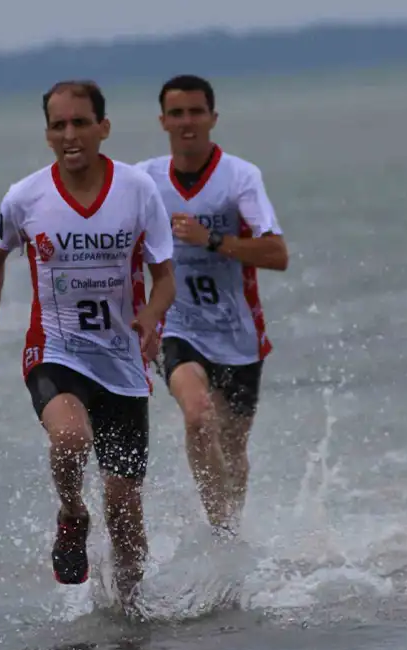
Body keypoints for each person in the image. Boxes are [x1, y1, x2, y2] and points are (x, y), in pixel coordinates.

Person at [0, 80, 176, 602]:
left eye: (81, 123)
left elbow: (166, 276)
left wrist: (148, 316)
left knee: (125, 514)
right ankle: (73, 512)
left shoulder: (138, 190)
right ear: (48, 134)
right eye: (59, 125)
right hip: (55, 349)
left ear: (104, 127)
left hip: (122, 363)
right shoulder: (25, 196)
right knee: (71, 439)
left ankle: (128, 616)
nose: (70, 134)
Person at [136, 74, 288, 538]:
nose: (187, 122)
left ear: (212, 118)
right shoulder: (145, 179)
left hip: (238, 334)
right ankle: (219, 533)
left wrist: (214, 240)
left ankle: (232, 530)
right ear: (162, 120)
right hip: (179, 325)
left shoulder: (240, 177)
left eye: (196, 112)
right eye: (176, 113)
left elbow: (276, 254)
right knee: (198, 414)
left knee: (234, 447)